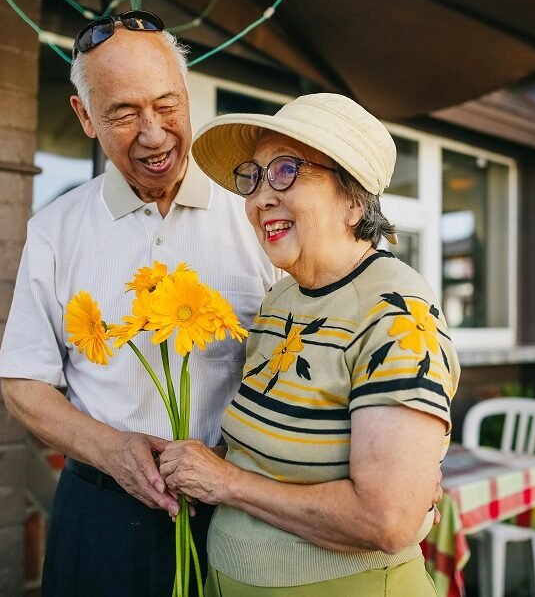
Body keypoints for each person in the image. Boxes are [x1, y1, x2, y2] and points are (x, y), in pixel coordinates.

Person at [0, 11, 277, 596]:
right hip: (100, 517)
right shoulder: (55, 230)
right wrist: (113, 450)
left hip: (239, 513)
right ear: (85, 118)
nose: (153, 134)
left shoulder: (258, 215)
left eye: (167, 104)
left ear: (188, 95)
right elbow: (22, 384)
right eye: (124, 113)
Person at [158, 93, 461, 596]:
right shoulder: (282, 298)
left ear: (352, 198)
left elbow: (387, 521)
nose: (259, 199)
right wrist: (196, 461)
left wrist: (225, 483)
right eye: (252, 177)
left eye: (285, 171)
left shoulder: (396, 311)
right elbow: (274, 453)